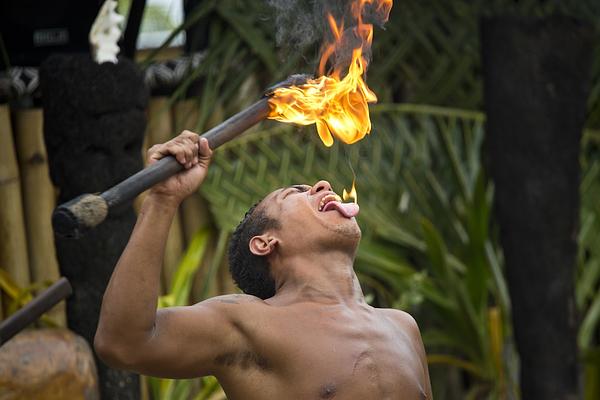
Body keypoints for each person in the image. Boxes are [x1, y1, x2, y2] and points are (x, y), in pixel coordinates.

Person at [95, 131, 433, 399]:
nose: (323, 186)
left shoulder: (404, 327)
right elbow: (123, 343)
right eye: (294, 193)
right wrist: (162, 200)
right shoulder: (247, 323)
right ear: (266, 242)